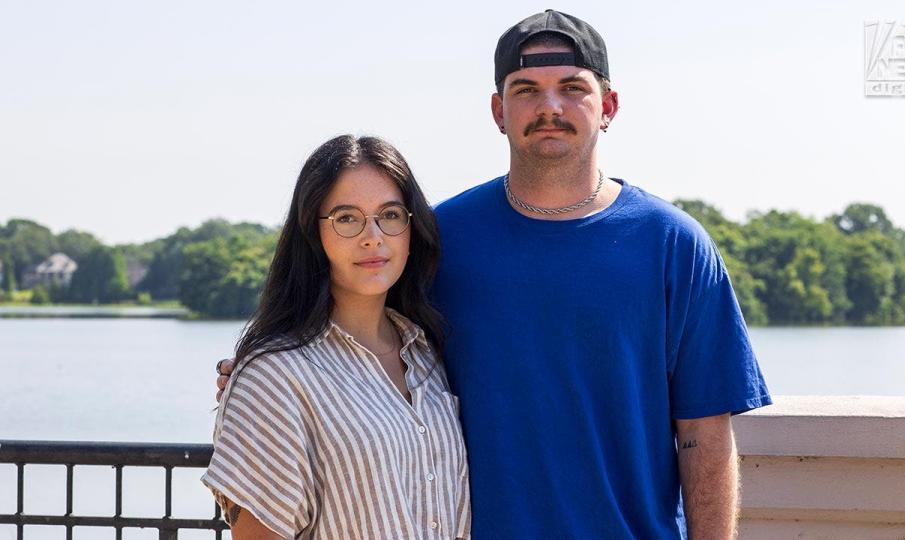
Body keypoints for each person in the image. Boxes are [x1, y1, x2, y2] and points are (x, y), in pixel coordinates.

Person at [217, 10, 770, 539]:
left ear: (609, 105)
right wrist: (260, 374)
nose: (549, 106)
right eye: (525, 90)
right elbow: (355, 332)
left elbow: (705, 435)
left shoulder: (675, 244)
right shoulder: (439, 237)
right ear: (498, 111)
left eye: (572, 87)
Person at [203, 135, 470, 540]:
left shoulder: (429, 356)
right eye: (347, 218)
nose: (373, 236)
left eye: (391, 215)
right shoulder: (275, 375)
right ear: (314, 232)